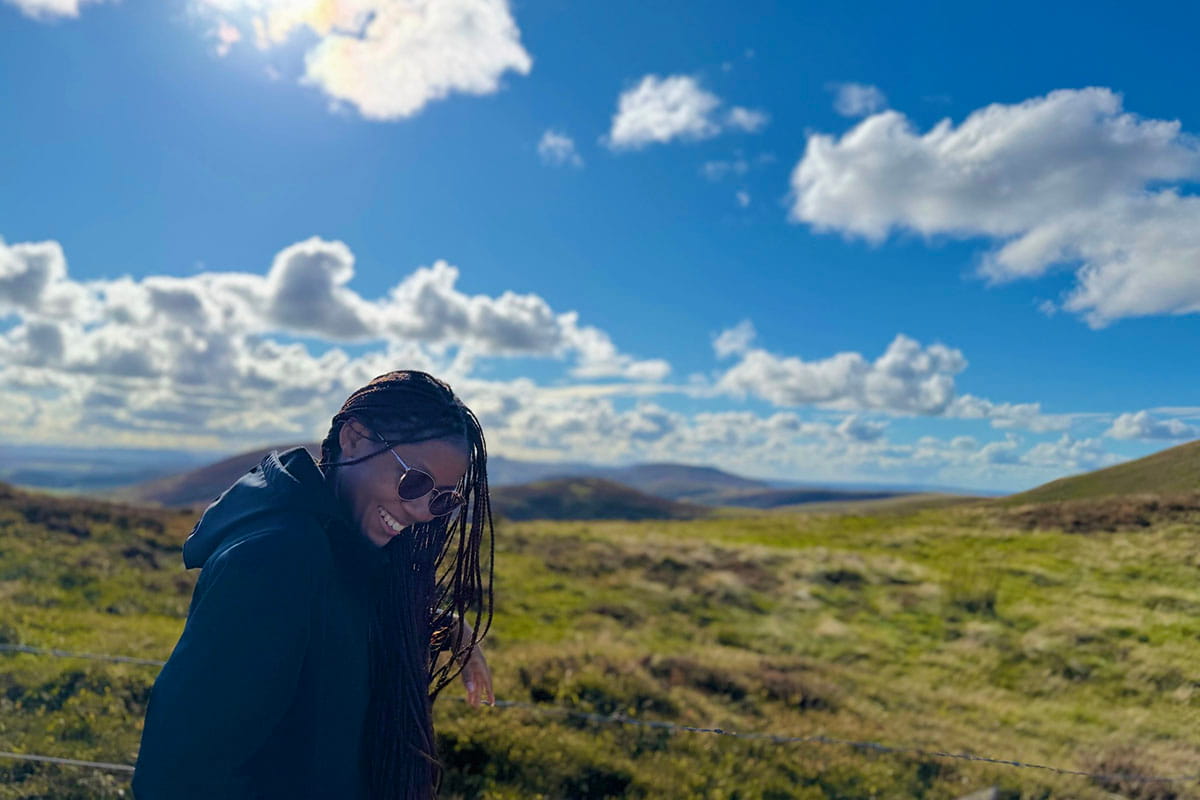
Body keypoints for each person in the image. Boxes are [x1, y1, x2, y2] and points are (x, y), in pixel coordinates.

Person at [133, 370, 495, 800]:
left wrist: (440, 624)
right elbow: (176, 775)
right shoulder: (276, 559)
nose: (420, 510)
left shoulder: (340, 548)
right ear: (355, 438)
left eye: (443, 499)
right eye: (413, 481)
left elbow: (326, 629)